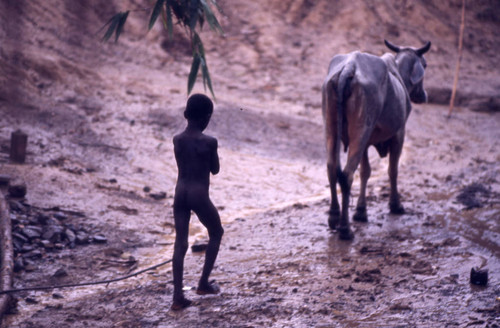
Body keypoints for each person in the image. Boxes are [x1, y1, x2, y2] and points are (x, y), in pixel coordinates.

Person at [171, 94, 224, 310]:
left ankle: (177, 297)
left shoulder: (177, 139)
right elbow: (215, 169)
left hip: (180, 193)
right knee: (217, 232)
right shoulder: (210, 142)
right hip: (198, 194)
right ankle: (203, 283)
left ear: (185, 115)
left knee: (180, 243)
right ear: (207, 118)